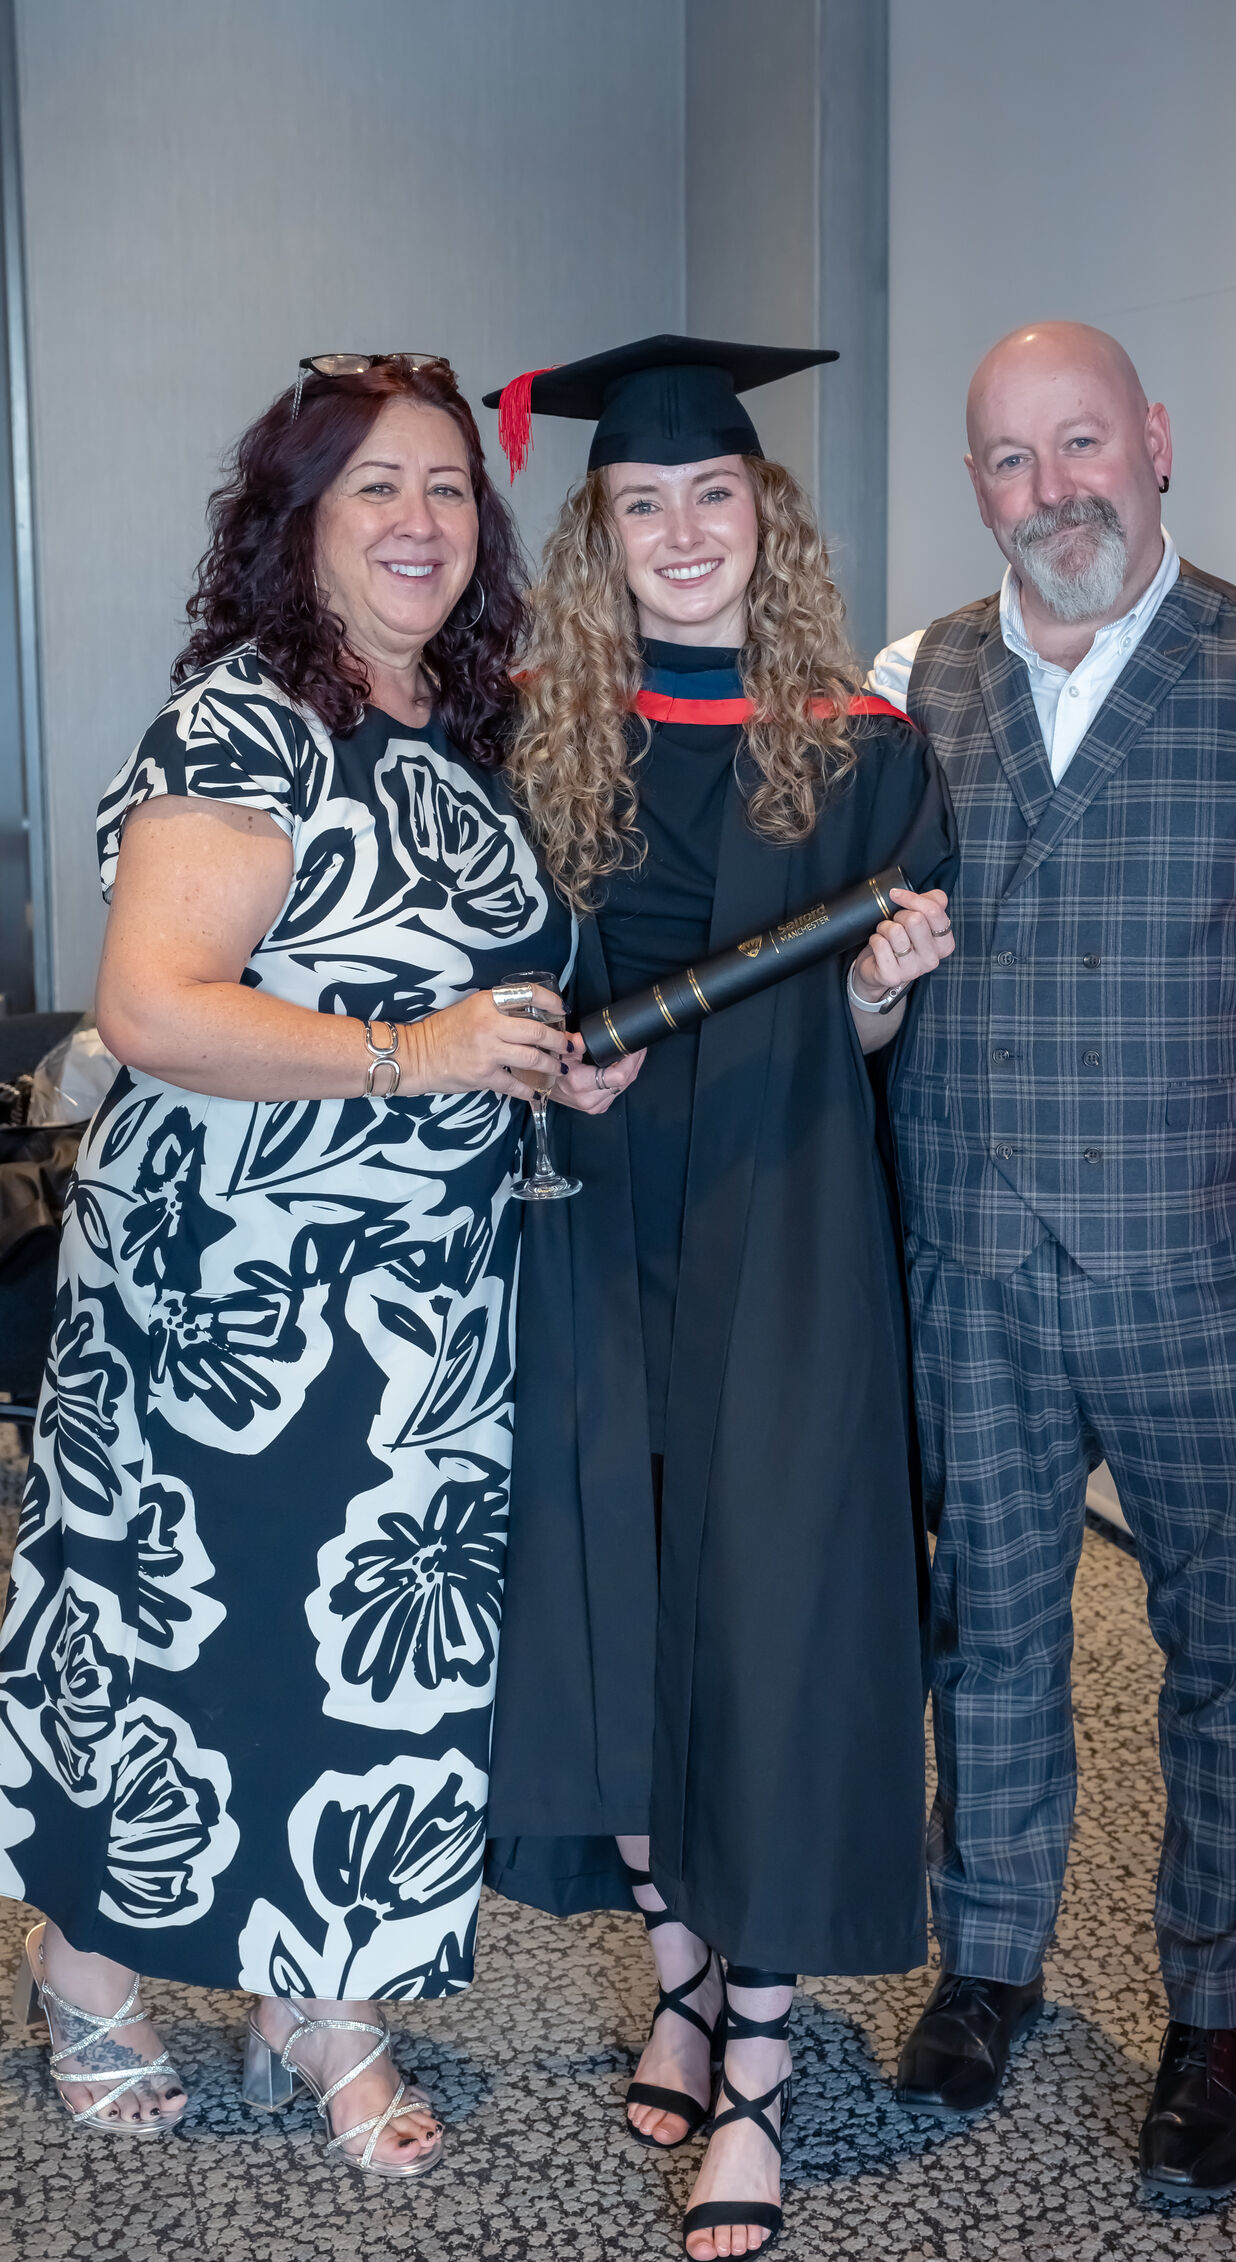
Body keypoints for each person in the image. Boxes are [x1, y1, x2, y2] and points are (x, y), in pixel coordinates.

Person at [0, 354, 633, 2177]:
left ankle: (317, 1999)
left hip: (422, 1305)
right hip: (228, 1295)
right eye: (374, 487)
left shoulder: (471, 722)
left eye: (446, 486)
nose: (421, 520)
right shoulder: (247, 717)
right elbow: (152, 1004)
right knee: (173, 1651)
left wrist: (537, 1057)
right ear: (299, 520)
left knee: (364, 1678)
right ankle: (90, 1973)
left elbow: (470, 982)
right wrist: (414, 1055)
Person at [869, 321, 1236, 2201]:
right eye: (1011, 460)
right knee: (990, 1650)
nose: (1055, 490)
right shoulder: (907, 682)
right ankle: (991, 1964)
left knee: (1235, 1672)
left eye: (1082, 444)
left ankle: (1220, 2023)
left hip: (1231, 1280)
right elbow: (858, 964)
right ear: (977, 486)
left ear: (1155, 441)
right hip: (975, 1271)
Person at [480, 335, 957, 2257]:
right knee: (629, 1602)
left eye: (716, 495)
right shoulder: (529, 726)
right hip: (591, 1218)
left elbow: (863, 1040)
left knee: (770, 1606)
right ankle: (678, 1968)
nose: (685, 533)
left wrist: (877, 987)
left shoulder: (859, 742)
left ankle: (754, 2057)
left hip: (784, 1227)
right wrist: (533, 1051)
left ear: (771, 512)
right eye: (642, 504)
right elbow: (482, 971)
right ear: (603, 533)